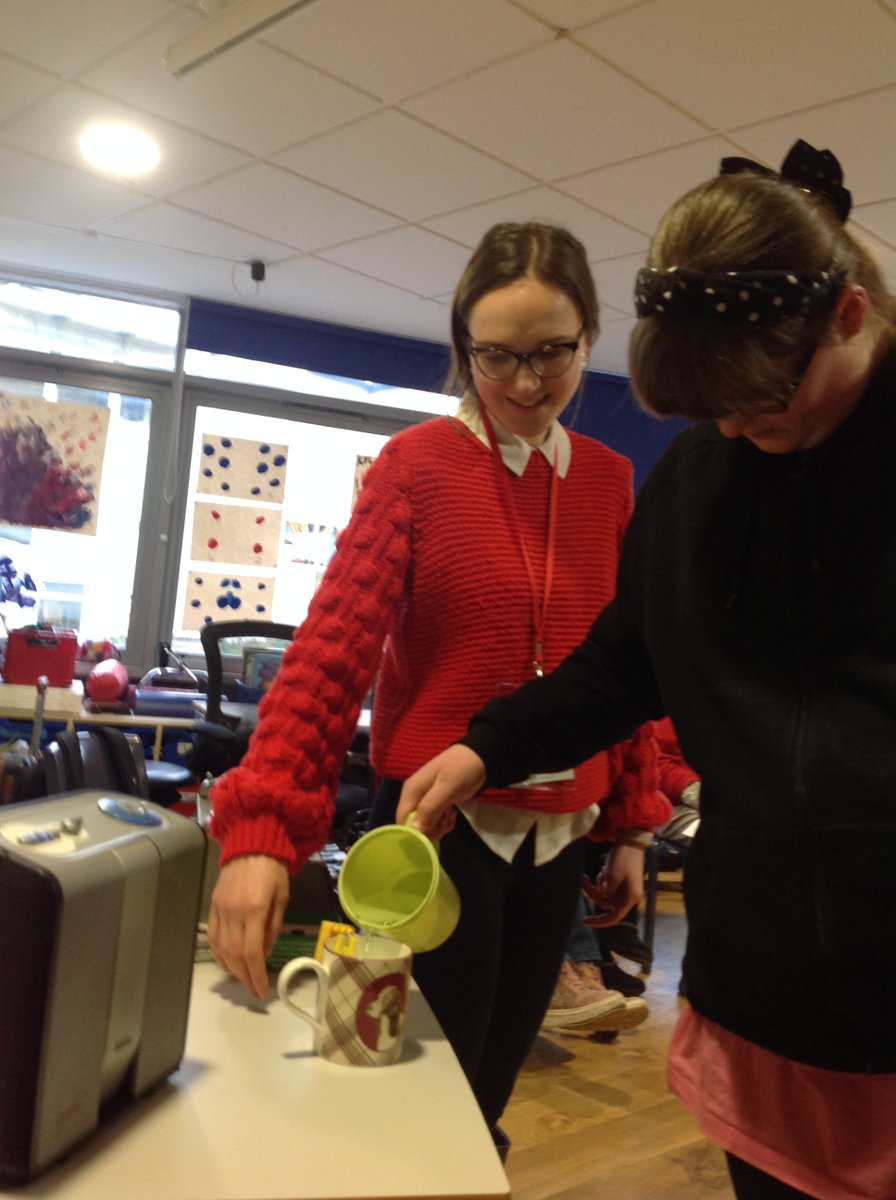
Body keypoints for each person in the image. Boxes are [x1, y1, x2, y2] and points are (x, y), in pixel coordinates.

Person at [395, 140, 896, 1200]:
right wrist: (489, 744)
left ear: (848, 317)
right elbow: (627, 663)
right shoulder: (703, 472)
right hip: (759, 990)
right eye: (714, 416)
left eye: (765, 401)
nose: (740, 433)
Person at [206, 221, 669, 1140]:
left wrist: (632, 823)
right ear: (462, 346)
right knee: (403, 1096)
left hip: (558, 836)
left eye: (554, 353)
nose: (528, 384)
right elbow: (334, 650)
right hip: (432, 834)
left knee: (488, 1093)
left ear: (590, 337)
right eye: (498, 356)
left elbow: (630, 664)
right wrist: (262, 829)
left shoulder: (613, 482)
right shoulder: (414, 468)